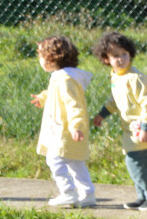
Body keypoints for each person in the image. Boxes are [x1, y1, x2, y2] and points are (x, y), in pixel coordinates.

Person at [90, 31, 147, 211]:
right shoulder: (117, 76)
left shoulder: (135, 78)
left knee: (137, 164)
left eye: (124, 54)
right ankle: (143, 196)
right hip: (131, 131)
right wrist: (103, 114)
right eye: (115, 55)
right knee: (135, 163)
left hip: (143, 129)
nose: (120, 59)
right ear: (106, 59)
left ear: (130, 55)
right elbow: (115, 100)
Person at [32, 35, 95, 208]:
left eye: (41, 56)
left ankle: (68, 192)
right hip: (66, 130)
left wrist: (77, 126)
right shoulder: (62, 77)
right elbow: (56, 95)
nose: (40, 60)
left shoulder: (65, 79)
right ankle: (87, 193)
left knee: (54, 159)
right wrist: (42, 98)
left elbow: (74, 104)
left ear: (53, 57)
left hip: (65, 130)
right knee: (75, 162)